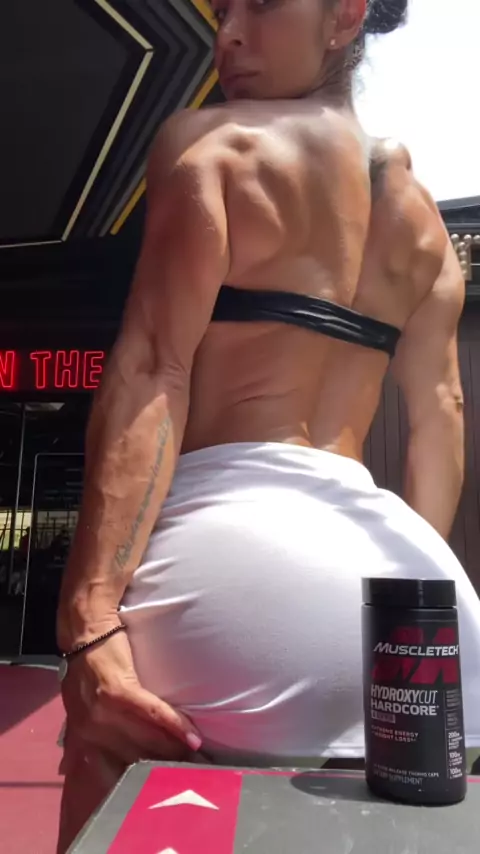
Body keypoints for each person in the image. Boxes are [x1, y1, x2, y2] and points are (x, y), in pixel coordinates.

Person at [56, 0, 480, 849]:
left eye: (262, 3)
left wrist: (86, 620)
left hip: (224, 579)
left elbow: (152, 369)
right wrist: (389, 609)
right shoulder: (426, 226)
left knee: (103, 780)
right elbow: (440, 414)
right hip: (428, 626)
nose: (229, 36)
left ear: (345, 14)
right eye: (222, 10)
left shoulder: (214, 145)